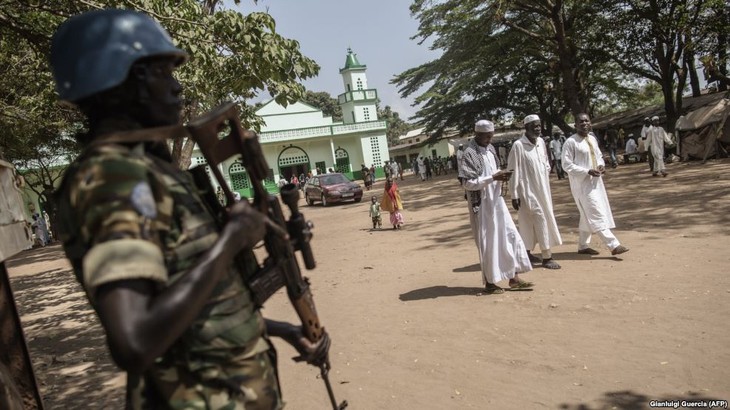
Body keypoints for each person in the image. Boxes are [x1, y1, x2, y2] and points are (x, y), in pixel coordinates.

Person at [50, 9, 328, 408]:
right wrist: (230, 242)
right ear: (128, 80)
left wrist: (280, 327)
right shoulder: (110, 179)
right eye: (165, 73)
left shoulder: (150, 171)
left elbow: (197, 309)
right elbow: (135, 340)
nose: (178, 89)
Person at [462, 119, 534, 294]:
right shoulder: (468, 154)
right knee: (488, 243)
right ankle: (490, 282)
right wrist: (493, 178)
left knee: (508, 235)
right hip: (482, 206)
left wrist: (502, 176)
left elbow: (493, 173)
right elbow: (467, 183)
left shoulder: (491, 149)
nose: (489, 139)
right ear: (477, 134)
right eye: (486, 136)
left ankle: (513, 278)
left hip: (497, 201)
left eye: (491, 136)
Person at [562, 113, 629, 256]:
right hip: (581, 185)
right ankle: (614, 245)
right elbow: (566, 165)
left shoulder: (592, 139)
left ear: (590, 123)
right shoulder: (570, 142)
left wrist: (600, 165)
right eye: (581, 122)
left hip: (596, 182)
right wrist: (587, 171)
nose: (584, 123)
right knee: (595, 212)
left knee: (587, 214)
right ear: (575, 125)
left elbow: (598, 156)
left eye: (587, 121)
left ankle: (582, 246)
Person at [507, 115, 563, 269]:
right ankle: (547, 256)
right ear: (526, 128)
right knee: (540, 218)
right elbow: (512, 171)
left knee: (526, 223)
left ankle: (525, 252)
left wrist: (545, 169)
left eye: (539, 126)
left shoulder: (541, 143)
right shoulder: (518, 146)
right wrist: (514, 194)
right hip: (526, 191)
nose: (538, 129)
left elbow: (545, 162)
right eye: (534, 126)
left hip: (543, 189)